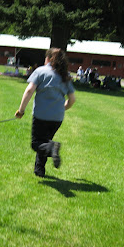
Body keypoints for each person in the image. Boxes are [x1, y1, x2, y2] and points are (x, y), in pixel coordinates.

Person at [15, 48, 76, 178]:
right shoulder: (65, 76)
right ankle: (39, 170)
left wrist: (21, 111)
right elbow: (72, 100)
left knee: (36, 144)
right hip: (57, 117)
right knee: (45, 142)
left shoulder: (40, 71)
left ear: (48, 59)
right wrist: (62, 108)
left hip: (41, 115)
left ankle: (52, 148)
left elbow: (29, 90)